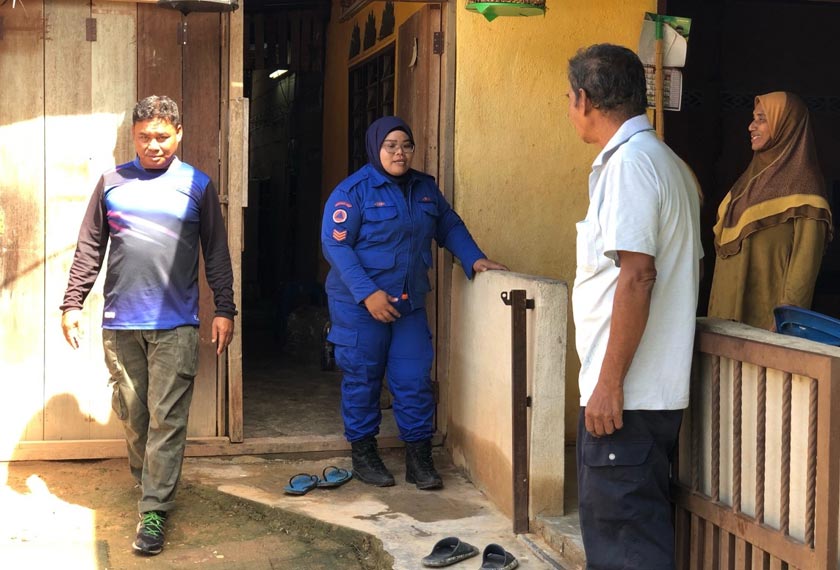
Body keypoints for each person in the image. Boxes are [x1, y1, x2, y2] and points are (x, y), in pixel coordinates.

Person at [60, 95, 236, 556]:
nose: (153, 145)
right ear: (133, 137)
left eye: (162, 136)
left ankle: (154, 508)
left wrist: (225, 308)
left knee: (167, 419)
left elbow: (216, 252)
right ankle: (148, 484)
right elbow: (89, 247)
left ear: (179, 134)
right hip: (121, 324)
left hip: (175, 324)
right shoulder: (111, 183)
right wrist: (73, 302)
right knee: (134, 417)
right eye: (144, 137)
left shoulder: (196, 185)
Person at [566, 44, 702, 569]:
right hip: (643, 397)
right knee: (629, 540)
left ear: (584, 99)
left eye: (569, 98)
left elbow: (638, 276)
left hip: (628, 398)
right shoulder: (664, 162)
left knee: (625, 550)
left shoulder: (632, 165)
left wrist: (609, 382)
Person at [321, 116, 507, 490]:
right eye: (390, 146)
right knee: (363, 378)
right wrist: (368, 294)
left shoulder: (425, 189)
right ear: (375, 147)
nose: (400, 153)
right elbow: (335, 246)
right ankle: (364, 455)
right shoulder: (352, 192)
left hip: (408, 305)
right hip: (360, 307)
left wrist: (474, 259)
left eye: (406, 145)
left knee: (413, 379)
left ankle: (419, 459)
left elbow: (449, 225)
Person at [708, 91, 832, 330]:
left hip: (765, 326)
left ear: (786, 126)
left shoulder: (806, 189)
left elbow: (804, 267)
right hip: (723, 322)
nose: (751, 126)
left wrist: (786, 320)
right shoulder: (747, 182)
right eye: (753, 118)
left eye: (762, 119)